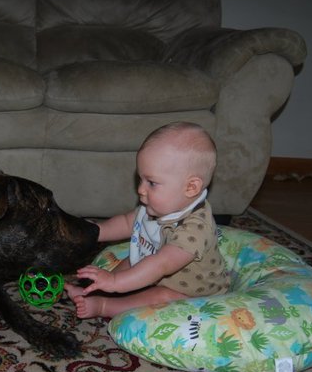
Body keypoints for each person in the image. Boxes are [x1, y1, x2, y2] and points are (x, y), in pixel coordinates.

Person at [65, 122, 230, 318]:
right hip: (157, 269)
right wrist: (93, 232)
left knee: (160, 295)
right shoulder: (159, 206)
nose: (140, 189)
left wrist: (115, 282)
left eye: (151, 183)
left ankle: (104, 305)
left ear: (191, 187)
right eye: (141, 179)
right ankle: (94, 292)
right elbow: (128, 222)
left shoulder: (195, 229)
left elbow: (162, 264)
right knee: (131, 261)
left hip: (192, 295)